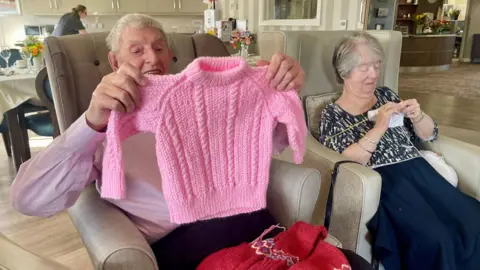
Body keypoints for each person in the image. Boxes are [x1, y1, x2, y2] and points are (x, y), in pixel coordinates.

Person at [10, 13, 371, 269]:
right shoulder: (101, 123)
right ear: (113, 60)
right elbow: (29, 200)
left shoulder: (206, 105)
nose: (152, 57)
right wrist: (91, 124)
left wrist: (284, 90)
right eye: (137, 50)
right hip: (185, 245)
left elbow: (271, 143)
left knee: (351, 264)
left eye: (159, 47)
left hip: (256, 225)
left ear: (171, 55)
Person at [318, 31, 480, 270]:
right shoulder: (333, 113)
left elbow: (429, 134)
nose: (374, 74)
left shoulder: (387, 95)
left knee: (472, 220)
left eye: (376, 65)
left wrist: (418, 115)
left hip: (419, 172)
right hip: (387, 183)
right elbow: (348, 162)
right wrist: (380, 126)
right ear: (344, 72)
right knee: (436, 239)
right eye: (364, 68)